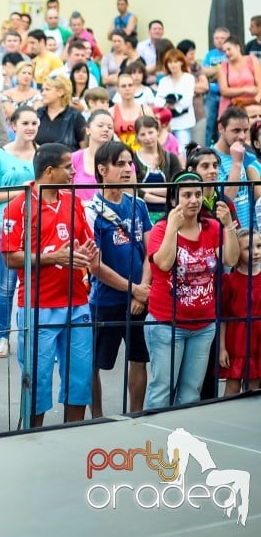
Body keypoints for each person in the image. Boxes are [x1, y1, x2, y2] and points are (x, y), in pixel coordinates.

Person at [2, 143, 99, 427]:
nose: (73, 171)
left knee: (79, 378)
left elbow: (85, 245)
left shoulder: (74, 202)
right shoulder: (18, 206)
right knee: (37, 380)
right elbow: (9, 257)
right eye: (68, 167)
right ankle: (32, 438)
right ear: (49, 170)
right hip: (38, 306)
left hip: (77, 302)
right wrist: (52, 257)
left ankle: (72, 435)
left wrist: (89, 255)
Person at [146, 171, 239, 409]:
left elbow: (230, 259)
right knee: (162, 390)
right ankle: (155, 444)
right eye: (186, 195)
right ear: (173, 201)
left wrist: (228, 226)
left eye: (198, 194)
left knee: (190, 392)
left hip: (203, 325)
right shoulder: (160, 229)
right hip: (167, 324)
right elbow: (164, 263)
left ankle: (180, 442)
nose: (194, 200)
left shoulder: (212, 228)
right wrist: (172, 229)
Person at [86, 141, 152, 417]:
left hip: (140, 298)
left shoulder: (138, 204)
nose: (128, 169)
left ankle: (135, 415)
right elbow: (94, 265)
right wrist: (134, 289)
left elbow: (152, 250)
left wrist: (144, 290)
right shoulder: (91, 210)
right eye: (121, 164)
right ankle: (98, 418)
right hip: (107, 299)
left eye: (130, 163)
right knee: (94, 362)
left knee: (139, 358)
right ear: (103, 169)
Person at [0, 106, 38, 356]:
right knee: (7, 285)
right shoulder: (0, 156)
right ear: (13, 125)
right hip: (6, 226)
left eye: (34, 123)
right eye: (25, 123)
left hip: (38, 227)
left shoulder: (42, 154)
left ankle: (34, 334)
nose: (30, 127)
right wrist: (22, 191)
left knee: (36, 285)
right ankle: (4, 336)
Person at [219, 229, 261, 395]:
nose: (256, 252)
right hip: (236, 342)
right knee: (233, 386)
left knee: (254, 387)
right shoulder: (229, 281)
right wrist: (222, 348)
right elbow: (223, 317)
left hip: (258, 342)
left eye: (259, 246)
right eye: (248, 248)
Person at [213, 106, 258, 228]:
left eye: (245, 130)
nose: (242, 136)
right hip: (227, 233)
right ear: (221, 128)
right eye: (236, 130)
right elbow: (226, 200)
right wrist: (237, 163)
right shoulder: (210, 159)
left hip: (248, 233)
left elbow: (255, 198)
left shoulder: (247, 156)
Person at [133, 115, 183, 221]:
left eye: (150, 132)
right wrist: (164, 199)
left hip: (169, 215)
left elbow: (176, 187)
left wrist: (148, 189)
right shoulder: (133, 159)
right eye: (142, 134)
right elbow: (135, 191)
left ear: (157, 132)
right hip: (141, 214)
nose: (147, 137)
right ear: (137, 137)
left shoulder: (171, 158)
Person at [71, 110, 114, 203]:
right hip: (80, 213)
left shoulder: (122, 160)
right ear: (88, 130)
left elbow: (130, 197)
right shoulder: (73, 158)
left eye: (110, 127)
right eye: (100, 125)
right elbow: (64, 193)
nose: (106, 129)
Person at [35, 75, 85, 151]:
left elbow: (84, 150)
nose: (43, 93)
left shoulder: (75, 117)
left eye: (47, 89)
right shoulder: (38, 114)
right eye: (42, 90)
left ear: (60, 92)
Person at [218, 37, 261, 115]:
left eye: (229, 49)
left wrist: (256, 100)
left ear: (238, 47)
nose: (227, 53)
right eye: (224, 51)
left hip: (253, 106)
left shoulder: (252, 60)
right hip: (232, 107)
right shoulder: (223, 66)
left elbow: (260, 84)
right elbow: (224, 91)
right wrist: (245, 89)